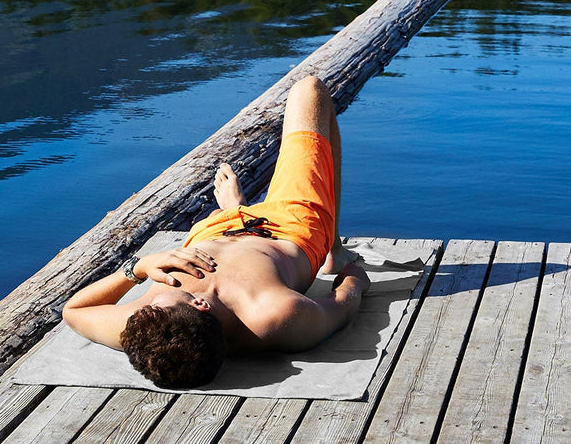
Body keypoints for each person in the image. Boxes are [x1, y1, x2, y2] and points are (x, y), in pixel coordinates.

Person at [62, 74, 369, 389]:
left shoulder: (148, 328)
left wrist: (138, 269)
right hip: (289, 228)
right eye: (154, 303)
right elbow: (342, 307)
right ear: (199, 304)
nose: (146, 302)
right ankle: (332, 245)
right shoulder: (274, 315)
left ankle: (234, 208)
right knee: (309, 89)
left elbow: (73, 311)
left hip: (214, 230)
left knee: (222, 213)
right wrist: (353, 276)